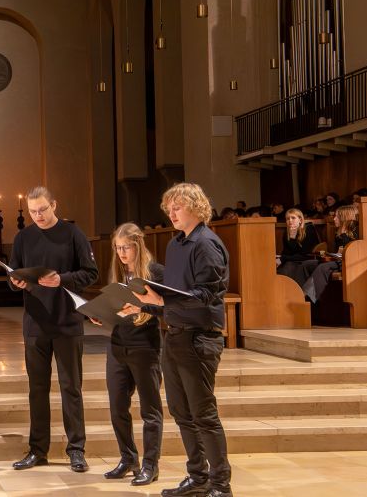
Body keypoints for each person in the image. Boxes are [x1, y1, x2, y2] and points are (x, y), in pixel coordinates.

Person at [125, 182, 232, 497]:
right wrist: (143, 304)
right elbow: (171, 298)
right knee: (181, 412)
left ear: (196, 208)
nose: (171, 213)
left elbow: (204, 295)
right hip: (174, 336)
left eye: (177, 207)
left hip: (199, 339)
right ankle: (198, 478)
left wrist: (158, 303)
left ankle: (221, 485)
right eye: (168, 208)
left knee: (203, 414)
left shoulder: (206, 244)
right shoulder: (176, 245)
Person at [8, 186, 98, 473]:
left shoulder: (73, 234)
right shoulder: (23, 237)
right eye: (33, 212)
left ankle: (76, 450)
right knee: (37, 389)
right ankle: (38, 450)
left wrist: (63, 279)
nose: (38, 216)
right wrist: (16, 282)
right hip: (35, 324)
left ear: (54, 205)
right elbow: (12, 274)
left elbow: (90, 273)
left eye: (43, 210)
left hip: (68, 322)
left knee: (71, 387)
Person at [104, 223, 164, 486]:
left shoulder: (155, 273)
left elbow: (166, 309)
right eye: (118, 248)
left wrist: (140, 307)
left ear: (138, 245)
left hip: (145, 347)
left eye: (126, 247)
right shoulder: (118, 273)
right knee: (118, 406)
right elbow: (114, 308)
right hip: (118, 346)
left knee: (150, 410)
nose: (122, 253)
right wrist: (102, 315)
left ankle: (151, 465)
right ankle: (128, 458)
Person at [302, 204, 358, 303]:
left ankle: (310, 297)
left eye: (337, 216)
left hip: (347, 263)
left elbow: (349, 253)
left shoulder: (353, 234)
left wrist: (343, 233)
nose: (334, 219)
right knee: (307, 264)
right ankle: (303, 290)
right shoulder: (339, 233)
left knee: (323, 267)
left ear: (344, 219)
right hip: (338, 260)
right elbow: (339, 252)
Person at [276, 209, 319, 288]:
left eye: (293, 218)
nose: (290, 221)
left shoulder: (308, 230)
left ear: (300, 220)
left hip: (306, 258)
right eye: (287, 219)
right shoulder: (287, 232)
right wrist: (280, 259)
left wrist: (283, 259)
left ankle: (294, 293)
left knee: (287, 268)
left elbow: (304, 254)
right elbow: (287, 252)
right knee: (278, 267)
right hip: (293, 259)